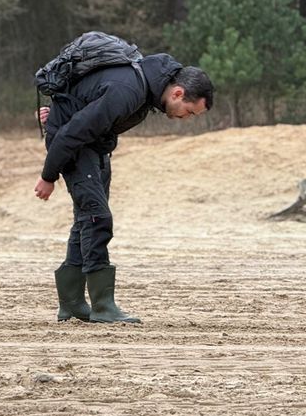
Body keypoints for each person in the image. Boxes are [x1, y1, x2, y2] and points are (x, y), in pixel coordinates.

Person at [35, 52, 213, 323]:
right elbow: (73, 131)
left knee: (87, 220)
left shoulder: (145, 91)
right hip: (74, 144)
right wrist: (49, 175)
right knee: (97, 218)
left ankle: (71, 304)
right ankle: (103, 306)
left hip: (92, 148)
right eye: (189, 112)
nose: (186, 118)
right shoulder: (129, 89)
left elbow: (94, 116)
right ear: (178, 93)